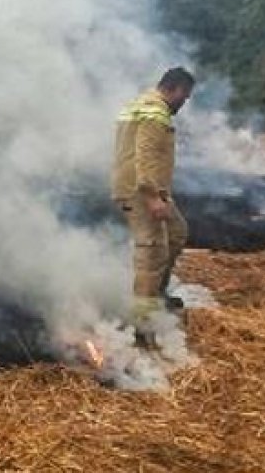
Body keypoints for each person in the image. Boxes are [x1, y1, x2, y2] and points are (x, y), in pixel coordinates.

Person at [110, 67, 196, 341]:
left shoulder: (139, 104)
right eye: (185, 97)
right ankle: (142, 325)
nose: (184, 103)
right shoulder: (156, 111)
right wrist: (151, 197)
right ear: (177, 89)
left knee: (177, 232)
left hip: (149, 189)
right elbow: (145, 156)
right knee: (152, 252)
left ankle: (157, 296)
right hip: (140, 191)